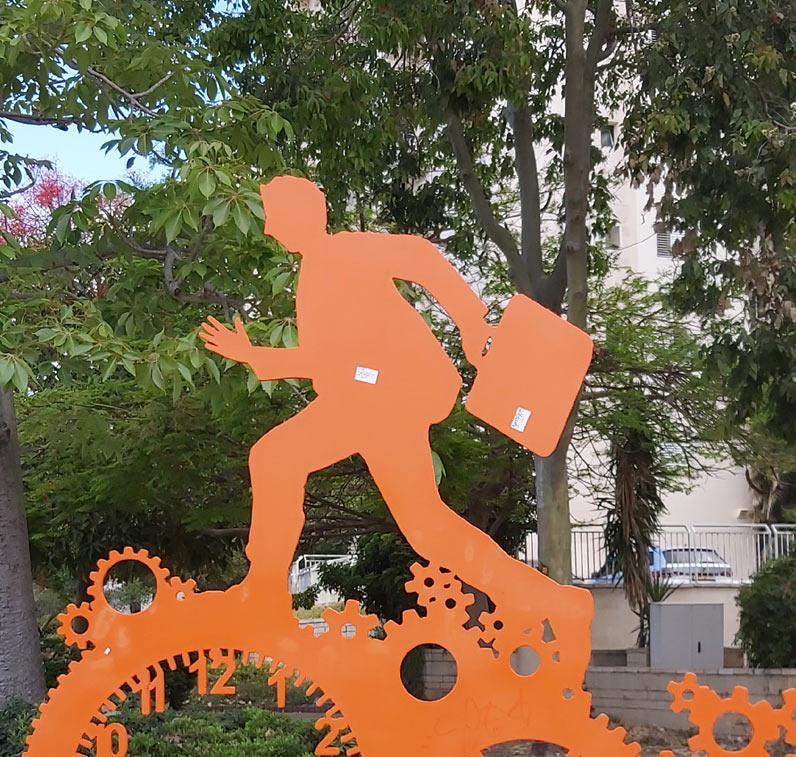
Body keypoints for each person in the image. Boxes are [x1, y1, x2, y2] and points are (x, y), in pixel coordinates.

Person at [200, 175, 592, 666]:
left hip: (382, 397)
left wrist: (471, 323)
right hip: (366, 400)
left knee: (276, 458)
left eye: (274, 219)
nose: (271, 232)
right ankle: (550, 602)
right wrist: (255, 356)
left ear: (298, 216)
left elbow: (419, 257)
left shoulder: (344, 252)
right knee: (425, 526)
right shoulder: (319, 269)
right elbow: (327, 358)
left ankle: (262, 595)